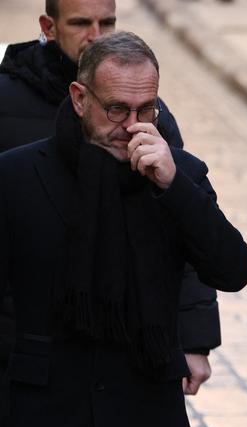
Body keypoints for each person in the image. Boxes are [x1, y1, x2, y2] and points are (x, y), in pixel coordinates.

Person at [0, 32, 247, 427]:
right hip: (47, 426)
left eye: (149, 109)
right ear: (80, 97)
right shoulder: (17, 175)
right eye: (117, 109)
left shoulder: (177, 175)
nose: (134, 125)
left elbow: (231, 267)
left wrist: (173, 185)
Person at [0, 0, 220, 396]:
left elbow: (182, 234)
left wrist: (194, 336)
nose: (96, 35)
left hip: (137, 357)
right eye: (82, 23)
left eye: (108, 22)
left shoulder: (150, 117)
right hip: (38, 358)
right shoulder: (7, 104)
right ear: (49, 27)